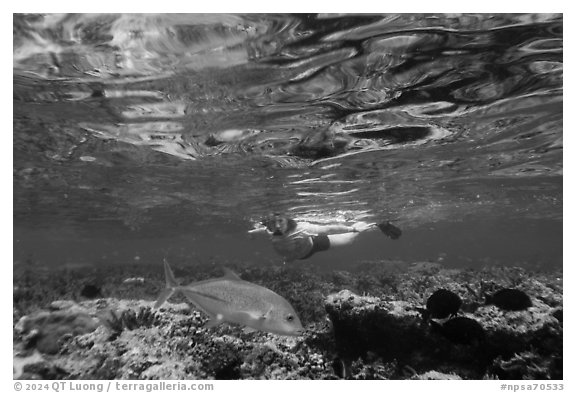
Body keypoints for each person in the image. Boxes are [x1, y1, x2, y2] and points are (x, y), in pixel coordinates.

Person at [248, 213, 402, 263]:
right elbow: (261, 231)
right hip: (299, 255)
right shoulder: (268, 230)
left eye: (280, 221)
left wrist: (352, 228)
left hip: (314, 245)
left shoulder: (302, 228)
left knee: (350, 239)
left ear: (287, 220)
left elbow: (328, 228)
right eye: (271, 223)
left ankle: (375, 224)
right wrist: (252, 235)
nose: (277, 226)